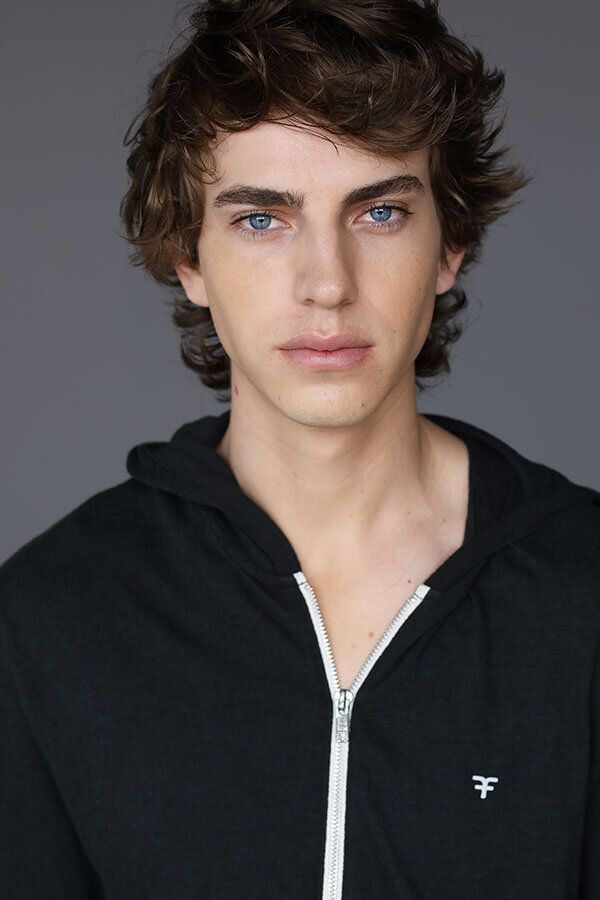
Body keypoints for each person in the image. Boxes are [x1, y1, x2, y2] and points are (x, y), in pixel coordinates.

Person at [1, 0, 599, 897]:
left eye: (380, 212)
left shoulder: (583, 594)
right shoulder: (51, 615)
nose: (327, 284)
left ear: (451, 244)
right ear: (189, 260)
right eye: (261, 220)